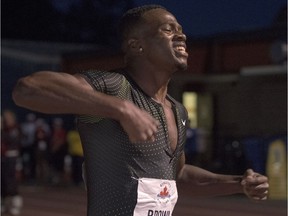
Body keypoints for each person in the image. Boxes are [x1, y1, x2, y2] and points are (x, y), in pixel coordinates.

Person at [12, 4, 269, 216]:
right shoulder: (115, 87)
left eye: (181, 30)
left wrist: (238, 183)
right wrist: (122, 109)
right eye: (168, 30)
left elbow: (178, 175)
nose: (182, 36)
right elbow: (28, 89)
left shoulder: (177, 111)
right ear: (137, 45)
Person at [1, 110, 23, 215]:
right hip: (3, 158)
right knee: (3, 181)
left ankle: (16, 204)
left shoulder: (14, 130)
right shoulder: (4, 130)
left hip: (12, 158)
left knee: (12, 181)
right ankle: (4, 203)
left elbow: (13, 142)